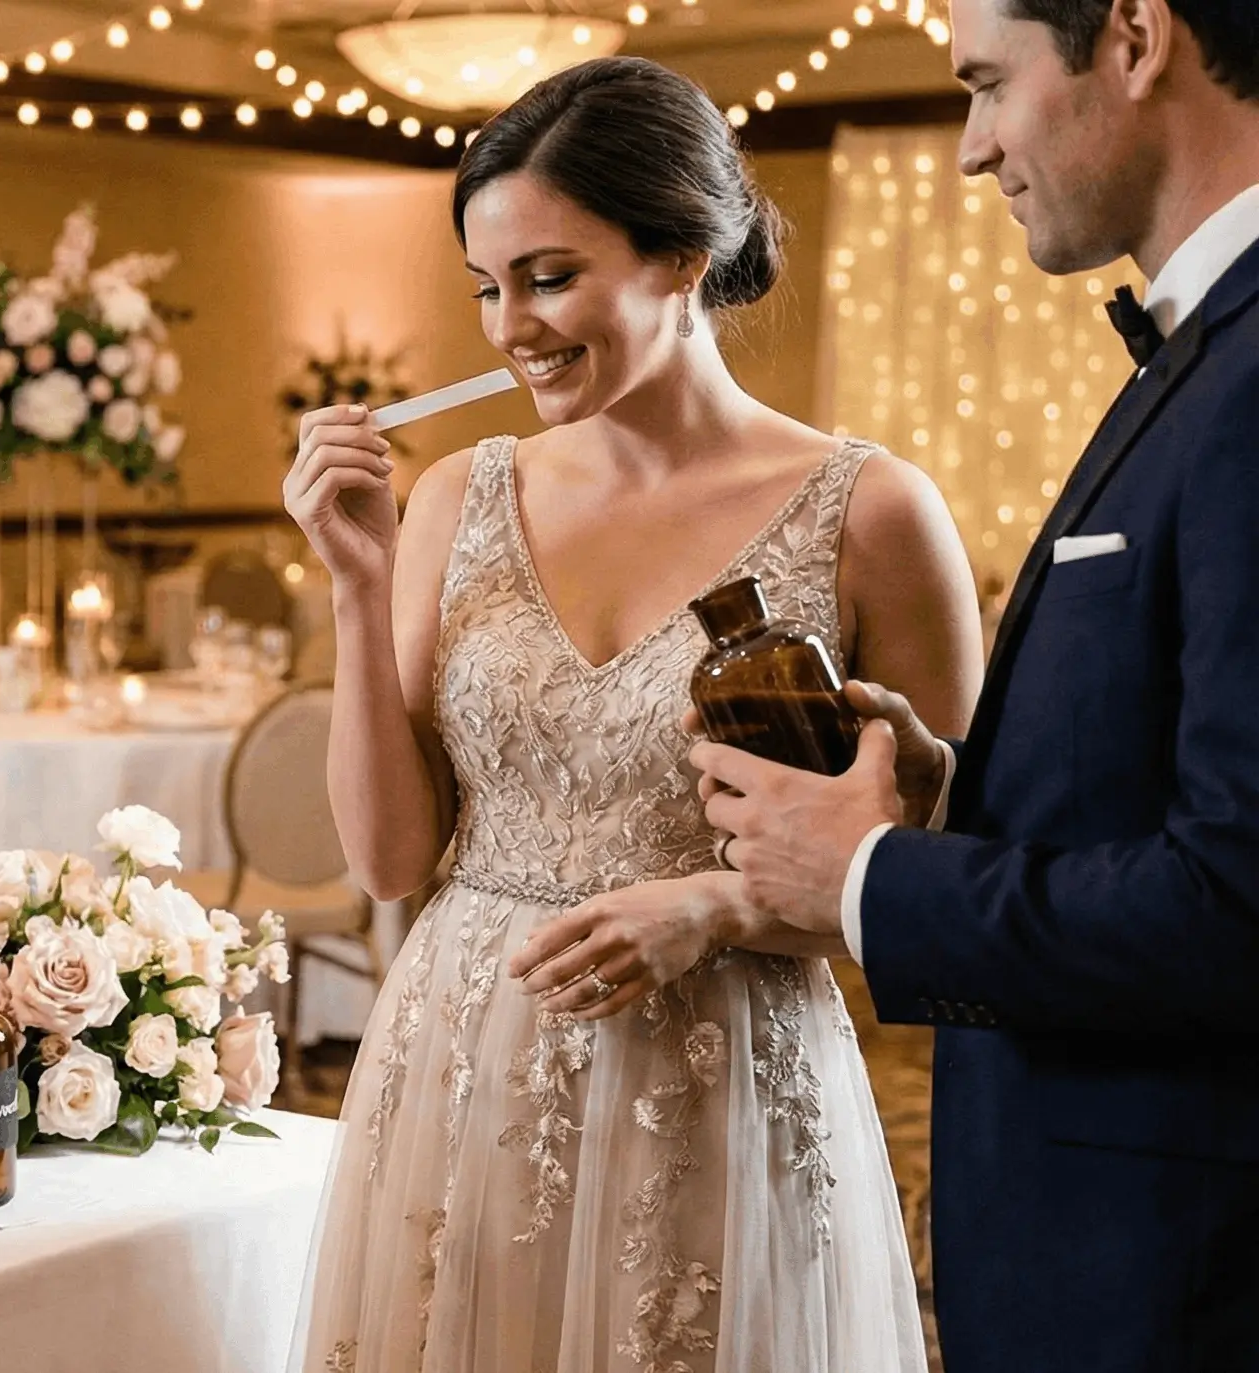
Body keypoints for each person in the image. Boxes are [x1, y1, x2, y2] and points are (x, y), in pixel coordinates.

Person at [285, 56, 981, 1370]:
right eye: (488, 289)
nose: (509, 327)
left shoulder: (874, 514)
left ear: (683, 254)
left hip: (719, 1074)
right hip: (462, 1051)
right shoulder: (454, 497)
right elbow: (384, 860)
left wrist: (718, 910)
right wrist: (356, 583)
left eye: (549, 276)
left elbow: (948, 868)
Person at [669, 1, 1259, 1367]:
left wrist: (870, 878)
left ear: (1134, 35)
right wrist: (951, 800)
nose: (968, 149)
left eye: (988, 86)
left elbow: (1238, 897)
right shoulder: (1202, 352)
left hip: (1181, 1273)